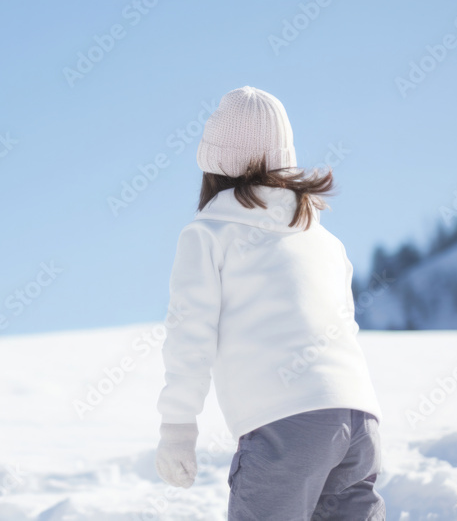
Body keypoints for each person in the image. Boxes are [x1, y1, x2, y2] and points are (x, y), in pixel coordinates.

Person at [154, 86, 385, 520]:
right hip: (359, 421)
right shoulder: (324, 239)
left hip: (286, 425)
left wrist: (178, 426)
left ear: (213, 165)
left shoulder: (208, 234)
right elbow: (345, 326)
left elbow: (190, 331)